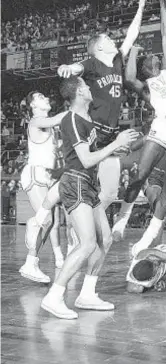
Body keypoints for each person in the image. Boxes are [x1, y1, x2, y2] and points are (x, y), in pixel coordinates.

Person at [41, 75, 138, 319]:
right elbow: (84, 160)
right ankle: (54, 296)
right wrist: (115, 143)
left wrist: (115, 149)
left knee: (105, 239)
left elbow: (92, 157)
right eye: (85, 85)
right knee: (87, 243)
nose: (89, 88)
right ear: (79, 93)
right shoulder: (72, 119)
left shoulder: (88, 120)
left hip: (88, 183)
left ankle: (87, 294)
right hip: (74, 181)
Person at [112, 0, 166, 257]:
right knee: (139, 174)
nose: (157, 55)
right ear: (148, 67)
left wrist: (164, 4)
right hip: (161, 128)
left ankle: (146, 239)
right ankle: (122, 217)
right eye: (152, 58)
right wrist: (133, 52)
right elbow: (129, 78)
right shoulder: (147, 88)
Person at [57, 0, 146, 212]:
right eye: (107, 40)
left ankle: (91, 218)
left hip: (112, 133)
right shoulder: (92, 64)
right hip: (93, 131)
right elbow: (77, 68)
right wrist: (68, 68)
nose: (112, 40)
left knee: (110, 193)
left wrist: (141, 9)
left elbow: (131, 36)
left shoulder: (116, 62)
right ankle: (56, 214)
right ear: (98, 48)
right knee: (79, 177)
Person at [19, 91, 68, 283]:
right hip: (35, 173)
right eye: (40, 97)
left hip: (48, 176)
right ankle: (31, 260)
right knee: (46, 219)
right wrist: (76, 107)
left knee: (50, 223)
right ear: (33, 105)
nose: (46, 97)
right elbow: (58, 118)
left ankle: (31, 262)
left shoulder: (52, 129)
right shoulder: (36, 121)